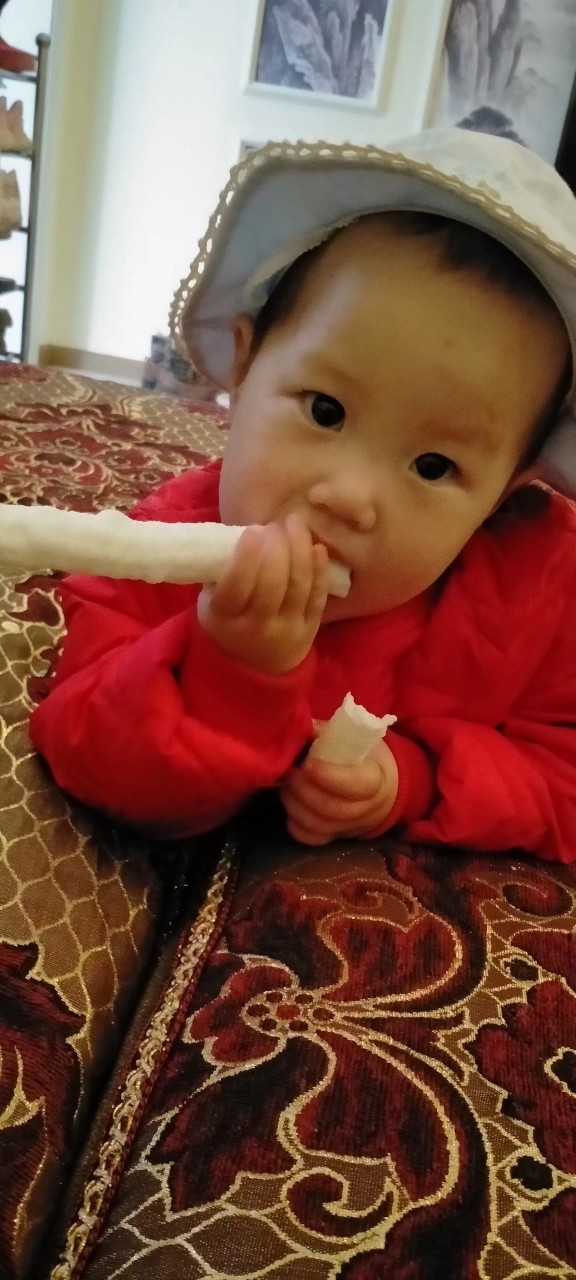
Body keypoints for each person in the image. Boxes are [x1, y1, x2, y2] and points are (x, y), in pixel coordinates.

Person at [29, 128, 576, 863]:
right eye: (325, 411)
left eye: (434, 466)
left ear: (506, 494)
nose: (350, 498)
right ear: (245, 367)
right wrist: (233, 671)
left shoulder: (540, 596)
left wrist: (416, 780)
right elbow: (96, 764)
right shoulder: (149, 567)